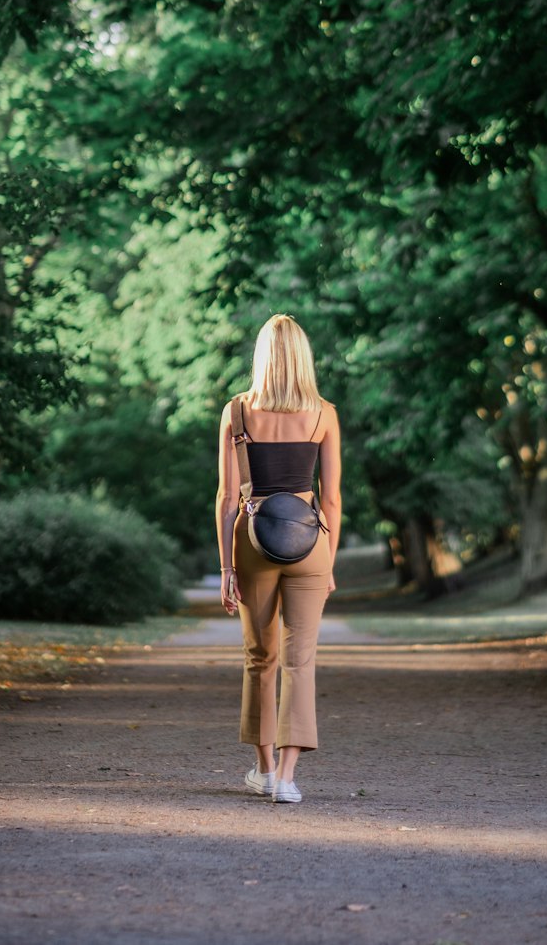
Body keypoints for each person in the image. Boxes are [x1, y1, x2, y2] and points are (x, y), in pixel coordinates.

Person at [215, 313, 342, 804]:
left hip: (253, 539)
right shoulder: (323, 413)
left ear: (262, 357)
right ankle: (288, 779)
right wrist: (327, 561)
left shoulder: (237, 411)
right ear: (303, 358)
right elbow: (331, 499)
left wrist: (227, 566)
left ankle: (264, 769)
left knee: (259, 657)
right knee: (300, 659)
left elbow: (227, 498)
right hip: (310, 540)